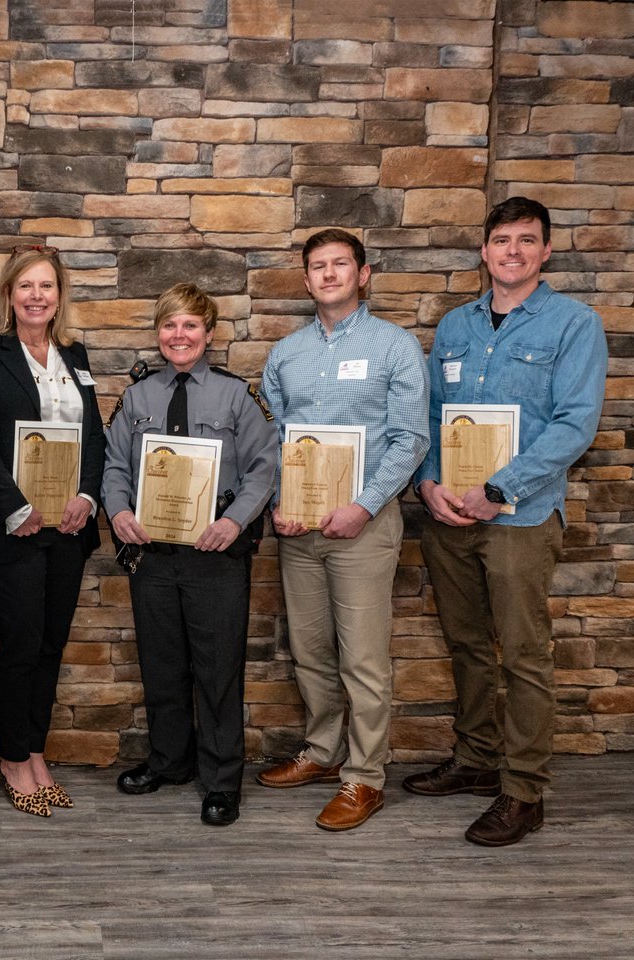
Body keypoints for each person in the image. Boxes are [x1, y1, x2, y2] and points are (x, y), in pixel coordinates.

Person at [405, 197, 607, 847]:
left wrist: (499, 488)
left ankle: (523, 791)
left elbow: (576, 424)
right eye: (501, 239)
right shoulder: (456, 327)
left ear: (546, 251)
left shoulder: (575, 325)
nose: (512, 250)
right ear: (484, 251)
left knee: (521, 653)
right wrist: (428, 481)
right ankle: (474, 760)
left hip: (522, 515)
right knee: (465, 643)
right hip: (451, 516)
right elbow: (434, 416)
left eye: (526, 240)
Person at [258, 228, 429, 832]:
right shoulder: (285, 354)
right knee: (309, 651)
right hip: (298, 527)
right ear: (306, 280)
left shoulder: (395, 347)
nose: (329, 275)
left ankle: (365, 777)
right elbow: (274, 443)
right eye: (318, 267)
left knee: (362, 656)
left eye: (340, 264)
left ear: (363, 274)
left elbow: (411, 439)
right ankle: (323, 752)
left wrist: (363, 505)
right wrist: (277, 502)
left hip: (364, 526)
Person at [102, 283, 277, 827]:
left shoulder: (233, 396)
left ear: (209, 333)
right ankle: (169, 762)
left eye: (190, 326)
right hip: (151, 552)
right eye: (169, 325)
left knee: (217, 668)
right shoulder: (138, 397)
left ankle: (222, 780)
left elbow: (264, 467)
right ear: (159, 333)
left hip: (214, 553)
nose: (179, 335)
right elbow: (115, 467)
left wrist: (233, 521)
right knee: (162, 664)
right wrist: (118, 511)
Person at [0, 246, 106, 817]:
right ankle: (13, 758)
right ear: (9, 296)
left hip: (67, 525)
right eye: (26, 287)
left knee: (50, 644)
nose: (37, 296)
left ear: (60, 295)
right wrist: (13, 506)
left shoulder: (75, 354)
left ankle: (36, 750)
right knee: (19, 644)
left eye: (46, 286)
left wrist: (89, 496)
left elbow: (94, 433)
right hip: (9, 527)